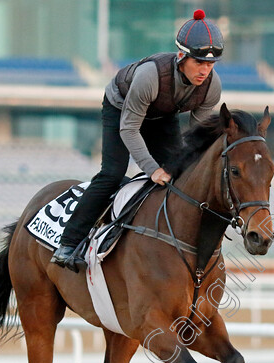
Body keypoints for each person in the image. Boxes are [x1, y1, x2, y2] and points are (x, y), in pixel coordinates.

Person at [51, 9, 224, 272]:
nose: (204, 71)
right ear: (181, 56)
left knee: (182, 173)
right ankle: (68, 242)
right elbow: (130, 129)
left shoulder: (211, 87)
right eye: (199, 63)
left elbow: (196, 139)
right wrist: (152, 170)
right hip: (122, 109)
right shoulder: (149, 76)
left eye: (210, 64)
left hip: (162, 114)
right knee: (112, 173)